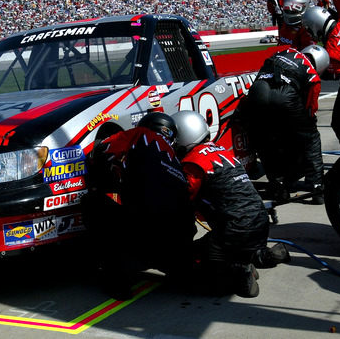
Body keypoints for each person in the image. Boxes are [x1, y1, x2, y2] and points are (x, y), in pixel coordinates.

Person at [171, 110, 291, 299]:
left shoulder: (193, 162)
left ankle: (239, 273)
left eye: (175, 139)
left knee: (187, 264)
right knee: (233, 247)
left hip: (235, 228)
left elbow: (180, 200)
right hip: (259, 222)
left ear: (185, 135)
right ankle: (264, 255)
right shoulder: (220, 151)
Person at [82, 112, 196, 300]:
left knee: (93, 202)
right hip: (180, 240)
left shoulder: (141, 135)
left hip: (148, 234)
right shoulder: (175, 159)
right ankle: (179, 269)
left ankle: (115, 281)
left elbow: (103, 148)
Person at [239, 45, 330, 204]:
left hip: (257, 92)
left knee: (264, 138)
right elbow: (311, 110)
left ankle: (277, 184)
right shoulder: (312, 74)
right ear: (321, 65)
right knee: (311, 138)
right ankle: (317, 187)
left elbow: (260, 74)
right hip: (285, 98)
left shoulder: (283, 52)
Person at [302, 5, 340, 151]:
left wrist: (315, 69)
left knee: (339, 123)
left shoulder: (333, 49)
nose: (312, 35)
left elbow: (335, 74)